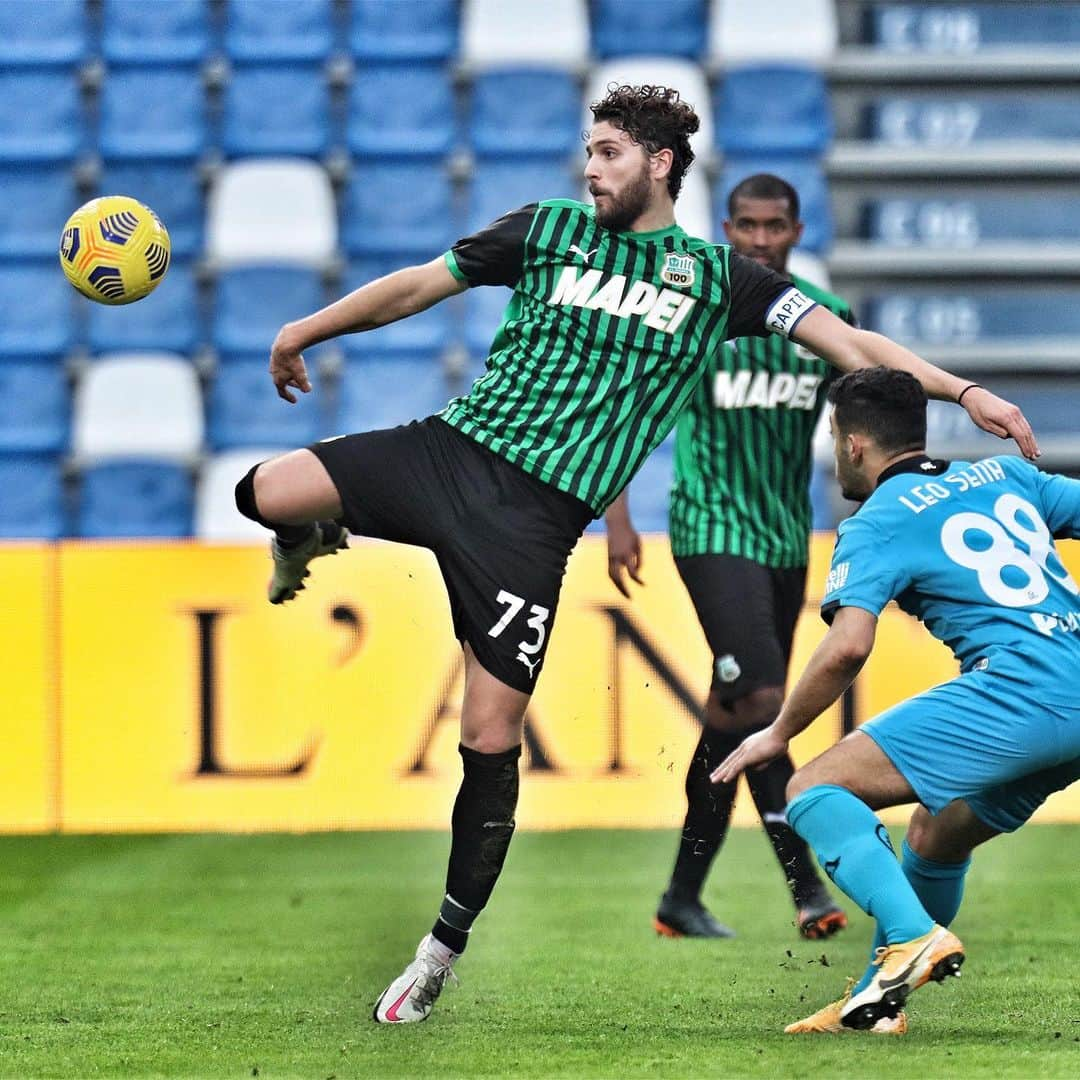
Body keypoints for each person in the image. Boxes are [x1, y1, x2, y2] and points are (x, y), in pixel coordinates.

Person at [233, 84, 1037, 1025]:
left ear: (659, 163)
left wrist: (961, 389)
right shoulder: (543, 231)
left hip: (531, 530)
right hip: (449, 453)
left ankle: (438, 952)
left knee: (488, 740)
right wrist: (305, 329)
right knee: (263, 489)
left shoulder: (717, 281)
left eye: (607, 151)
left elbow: (851, 345)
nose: (590, 167)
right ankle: (310, 536)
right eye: (589, 151)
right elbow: (419, 282)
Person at [714, 367, 1079, 1035]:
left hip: (1023, 690)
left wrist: (779, 731)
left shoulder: (875, 522)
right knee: (937, 835)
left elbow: (847, 647)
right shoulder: (1007, 477)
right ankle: (874, 1004)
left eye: (833, 436)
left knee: (814, 789)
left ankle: (913, 936)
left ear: (854, 445)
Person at [606, 173, 852, 942]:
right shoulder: (697, 314)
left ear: (797, 230)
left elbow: (864, 424)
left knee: (728, 716)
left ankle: (681, 898)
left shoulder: (824, 323)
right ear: (726, 227)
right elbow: (624, 409)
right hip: (710, 529)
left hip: (785, 536)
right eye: (745, 227)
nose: (758, 241)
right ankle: (808, 888)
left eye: (773, 227)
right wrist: (614, 515)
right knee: (764, 703)